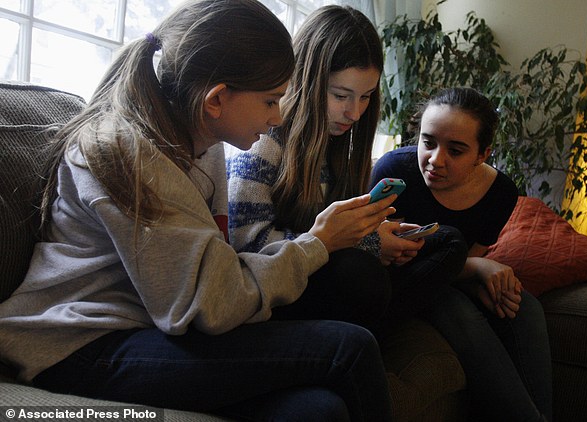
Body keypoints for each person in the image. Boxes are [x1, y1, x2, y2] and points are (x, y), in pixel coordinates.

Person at [0, 1, 396, 421]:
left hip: (149, 329)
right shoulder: (127, 151)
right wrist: (317, 244)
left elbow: (214, 274)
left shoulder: (201, 149)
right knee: (349, 349)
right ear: (217, 99)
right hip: (80, 346)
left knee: (319, 410)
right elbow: (210, 304)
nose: (278, 116)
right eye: (270, 100)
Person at [227, 5, 466, 332]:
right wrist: (364, 242)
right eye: (341, 95)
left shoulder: (335, 144)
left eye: (366, 97)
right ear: (307, 80)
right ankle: (367, 332)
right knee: (360, 274)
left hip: (323, 275)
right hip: (278, 286)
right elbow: (247, 248)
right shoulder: (262, 140)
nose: (354, 113)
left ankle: (368, 327)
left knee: (448, 241)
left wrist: (378, 235)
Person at [371, 87, 552, 421]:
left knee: (524, 306)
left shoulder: (500, 192)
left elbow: (465, 260)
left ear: (482, 154)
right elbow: (383, 257)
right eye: (428, 143)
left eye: (455, 151)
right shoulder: (395, 172)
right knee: (453, 305)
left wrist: (480, 271)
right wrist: (480, 268)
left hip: (453, 276)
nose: (436, 160)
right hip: (404, 280)